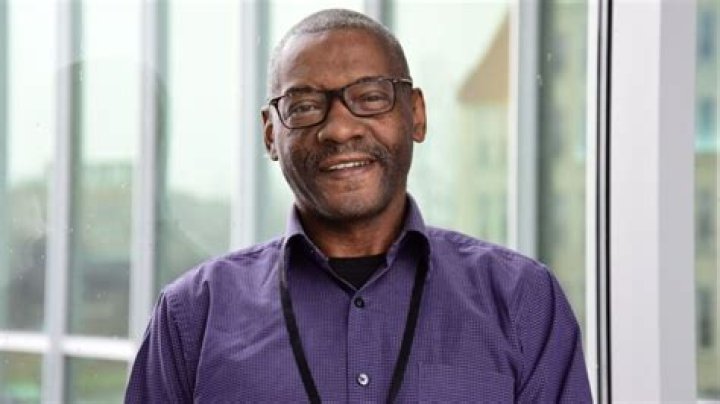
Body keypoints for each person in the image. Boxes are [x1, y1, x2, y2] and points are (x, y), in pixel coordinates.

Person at [125, 8, 592, 403]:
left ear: (416, 115)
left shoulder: (522, 301)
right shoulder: (192, 316)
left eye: (370, 97)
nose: (340, 129)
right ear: (270, 134)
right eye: (304, 106)